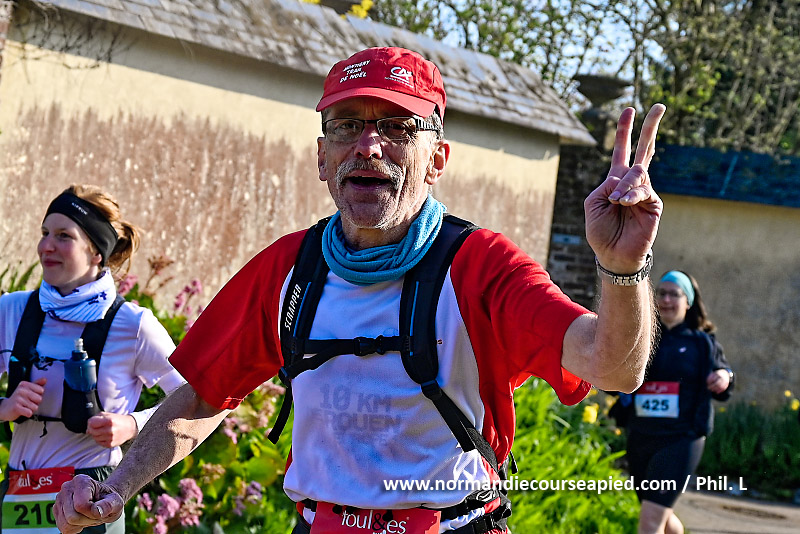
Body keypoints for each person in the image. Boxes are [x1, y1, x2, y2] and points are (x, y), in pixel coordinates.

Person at [54, 47, 666, 534]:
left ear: (437, 158)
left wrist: (623, 266)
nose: (369, 146)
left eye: (397, 127)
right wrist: (114, 489)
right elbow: (201, 397)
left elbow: (613, 367)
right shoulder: (287, 268)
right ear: (323, 157)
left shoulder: (481, 266)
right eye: (348, 126)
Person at [0, 184, 185, 533]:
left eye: (63, 236)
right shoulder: (10, 310)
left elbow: (193, 398)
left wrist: (131, 425)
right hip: (18, 496)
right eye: (44, 233)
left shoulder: (133, 324)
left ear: (97, 252)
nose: (46, 246)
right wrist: (4, 408)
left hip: (91, 499)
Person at [625, 270, 734, 534]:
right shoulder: (643, 337)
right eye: (661, 293)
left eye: (674, 294)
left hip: (681, 439)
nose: (666, 300)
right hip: (641, 436)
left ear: (688, 301)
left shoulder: (702, 342)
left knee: (650, 520)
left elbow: (723, 374)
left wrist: (724, 377)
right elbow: (617, 380)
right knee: (660, 515)